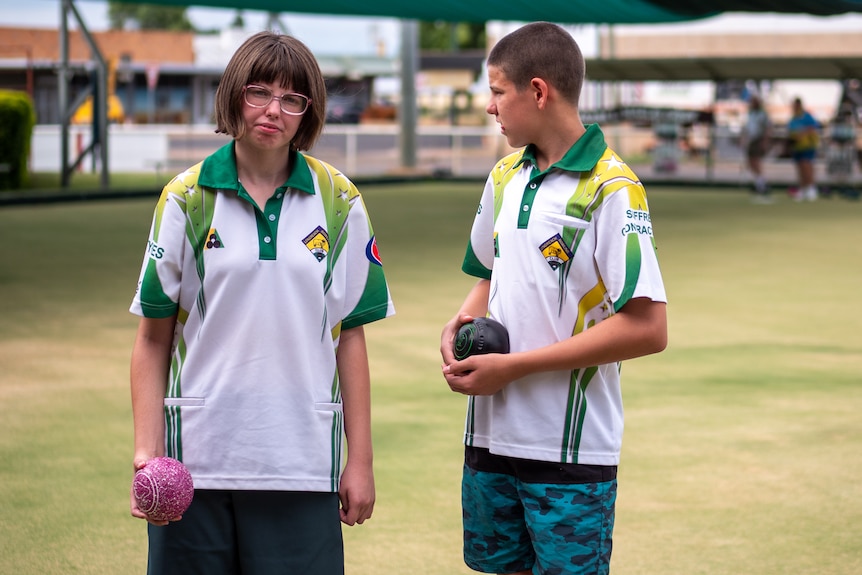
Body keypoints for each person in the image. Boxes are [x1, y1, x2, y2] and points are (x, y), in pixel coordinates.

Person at [128, 31, 395, 574]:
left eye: (292, 99)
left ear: (308, 110)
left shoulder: (340, 199)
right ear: (234, 94)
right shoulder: (185, 196)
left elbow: (350, 338)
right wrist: (147, 453)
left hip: (300, 461)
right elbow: (153, 338)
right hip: (195, 463)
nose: (274, 110)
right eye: (259, 92)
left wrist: (359, 460)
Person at [439, 22, 667, 575]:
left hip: (568, 454)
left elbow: (647, 328)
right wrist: (460, 326)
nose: (490, 108)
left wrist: (512, 368)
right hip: (489, 439)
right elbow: (488, 279)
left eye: (497, 92)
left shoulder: (613, 189)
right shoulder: (503, 176)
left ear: (538, 91)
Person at [787, 96, 821, 201]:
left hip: (807, 146)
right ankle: (802, 189)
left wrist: (802, 134)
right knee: (800, 168)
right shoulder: (793, 118)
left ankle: (811, 189)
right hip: (797, 147)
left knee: (807, 166)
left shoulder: (806, 116)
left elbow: (813, 128)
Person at [743, 94, 772, 202]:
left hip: (758, 139)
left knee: (756, 161)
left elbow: (767, 128)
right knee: (751, 162)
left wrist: (765, 141)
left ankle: (762, 185)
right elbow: (748, 127)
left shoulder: (762, 114)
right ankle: (759, 183)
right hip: (751, 140)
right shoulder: (751, 113)